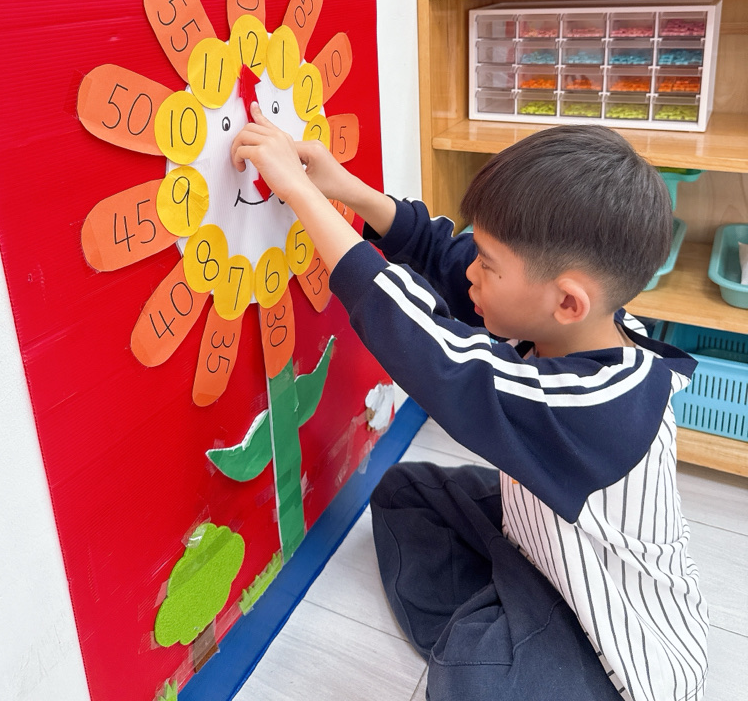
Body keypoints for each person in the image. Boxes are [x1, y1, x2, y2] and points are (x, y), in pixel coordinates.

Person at [231, 106, 708, 701]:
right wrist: (343, 187)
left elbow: (437, 357)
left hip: (622, 653)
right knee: (403, 493)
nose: (472, 275)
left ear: (567, 302)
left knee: (470, 673)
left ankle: (506, 643)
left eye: (489, 265)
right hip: (543, 547)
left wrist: (302, 195)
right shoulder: (573, 322)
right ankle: (511, 620)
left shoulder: (598, 406)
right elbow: (445, 255)